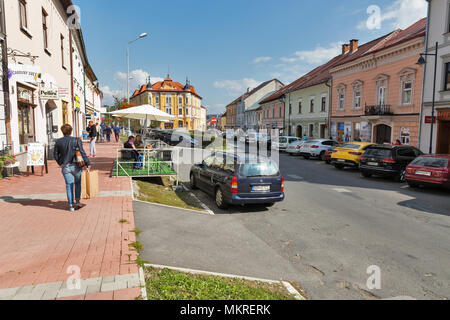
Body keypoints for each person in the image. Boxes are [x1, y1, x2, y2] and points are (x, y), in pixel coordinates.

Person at [54, 124, 91, 212]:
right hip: (77, 166)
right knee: (77, 183)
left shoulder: (59, 141)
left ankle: (71, 205)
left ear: (62, 131)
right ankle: (77, 201)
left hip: (65, 166)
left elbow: (55, 154)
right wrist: (87, 163)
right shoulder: (77, 140)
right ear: (71, 131)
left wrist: (60, 162)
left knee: (69, 185)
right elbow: (82, 152)